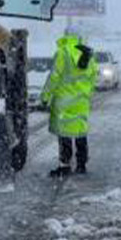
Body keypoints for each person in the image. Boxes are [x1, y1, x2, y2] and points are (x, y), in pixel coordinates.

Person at [41, 32, 95, 176]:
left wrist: (45, 96)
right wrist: (87, 95)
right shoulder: (88, 55)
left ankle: (65, 165)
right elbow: (92, 78)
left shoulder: (63, 52)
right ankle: (81, 165)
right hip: (81, 101)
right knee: (80, 132)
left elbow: (54, 77)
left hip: (64, 101)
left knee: (64, 133)